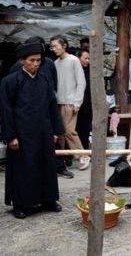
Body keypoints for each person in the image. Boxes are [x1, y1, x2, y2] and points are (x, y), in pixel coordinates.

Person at [0, 42, 65, 219]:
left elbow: (52, 107)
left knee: (47, 166)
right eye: (32, 60)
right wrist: (11, 136)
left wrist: (56, 131)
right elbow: (6, 111)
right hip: (22, 134)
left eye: (38, 60)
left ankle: (49, 200)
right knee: (24, 168)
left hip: (44, 131)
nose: (36, 64)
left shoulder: (44, 79)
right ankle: (20, 204)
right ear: (22, 61)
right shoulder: (10, 82)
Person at [50, 36, 90, 171]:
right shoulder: (55, 63)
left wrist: (77, 102)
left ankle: (83, 155)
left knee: (69, 131)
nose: (53, 49)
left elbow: (81, 82)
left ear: (64, 45)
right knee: (59, 133)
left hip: (70, 102)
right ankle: (60, 161)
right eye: (52, 47)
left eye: (56, 46)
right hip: (58, 102)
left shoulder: (73, 60)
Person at [76, 50, 92, 150]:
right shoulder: (74, 69)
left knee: (85, 130)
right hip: (76, 104)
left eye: (89, 58)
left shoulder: (90, 70)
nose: (87, 61)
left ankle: (85, 151)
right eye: (85, 58)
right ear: (78, 58)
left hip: (87, 105)